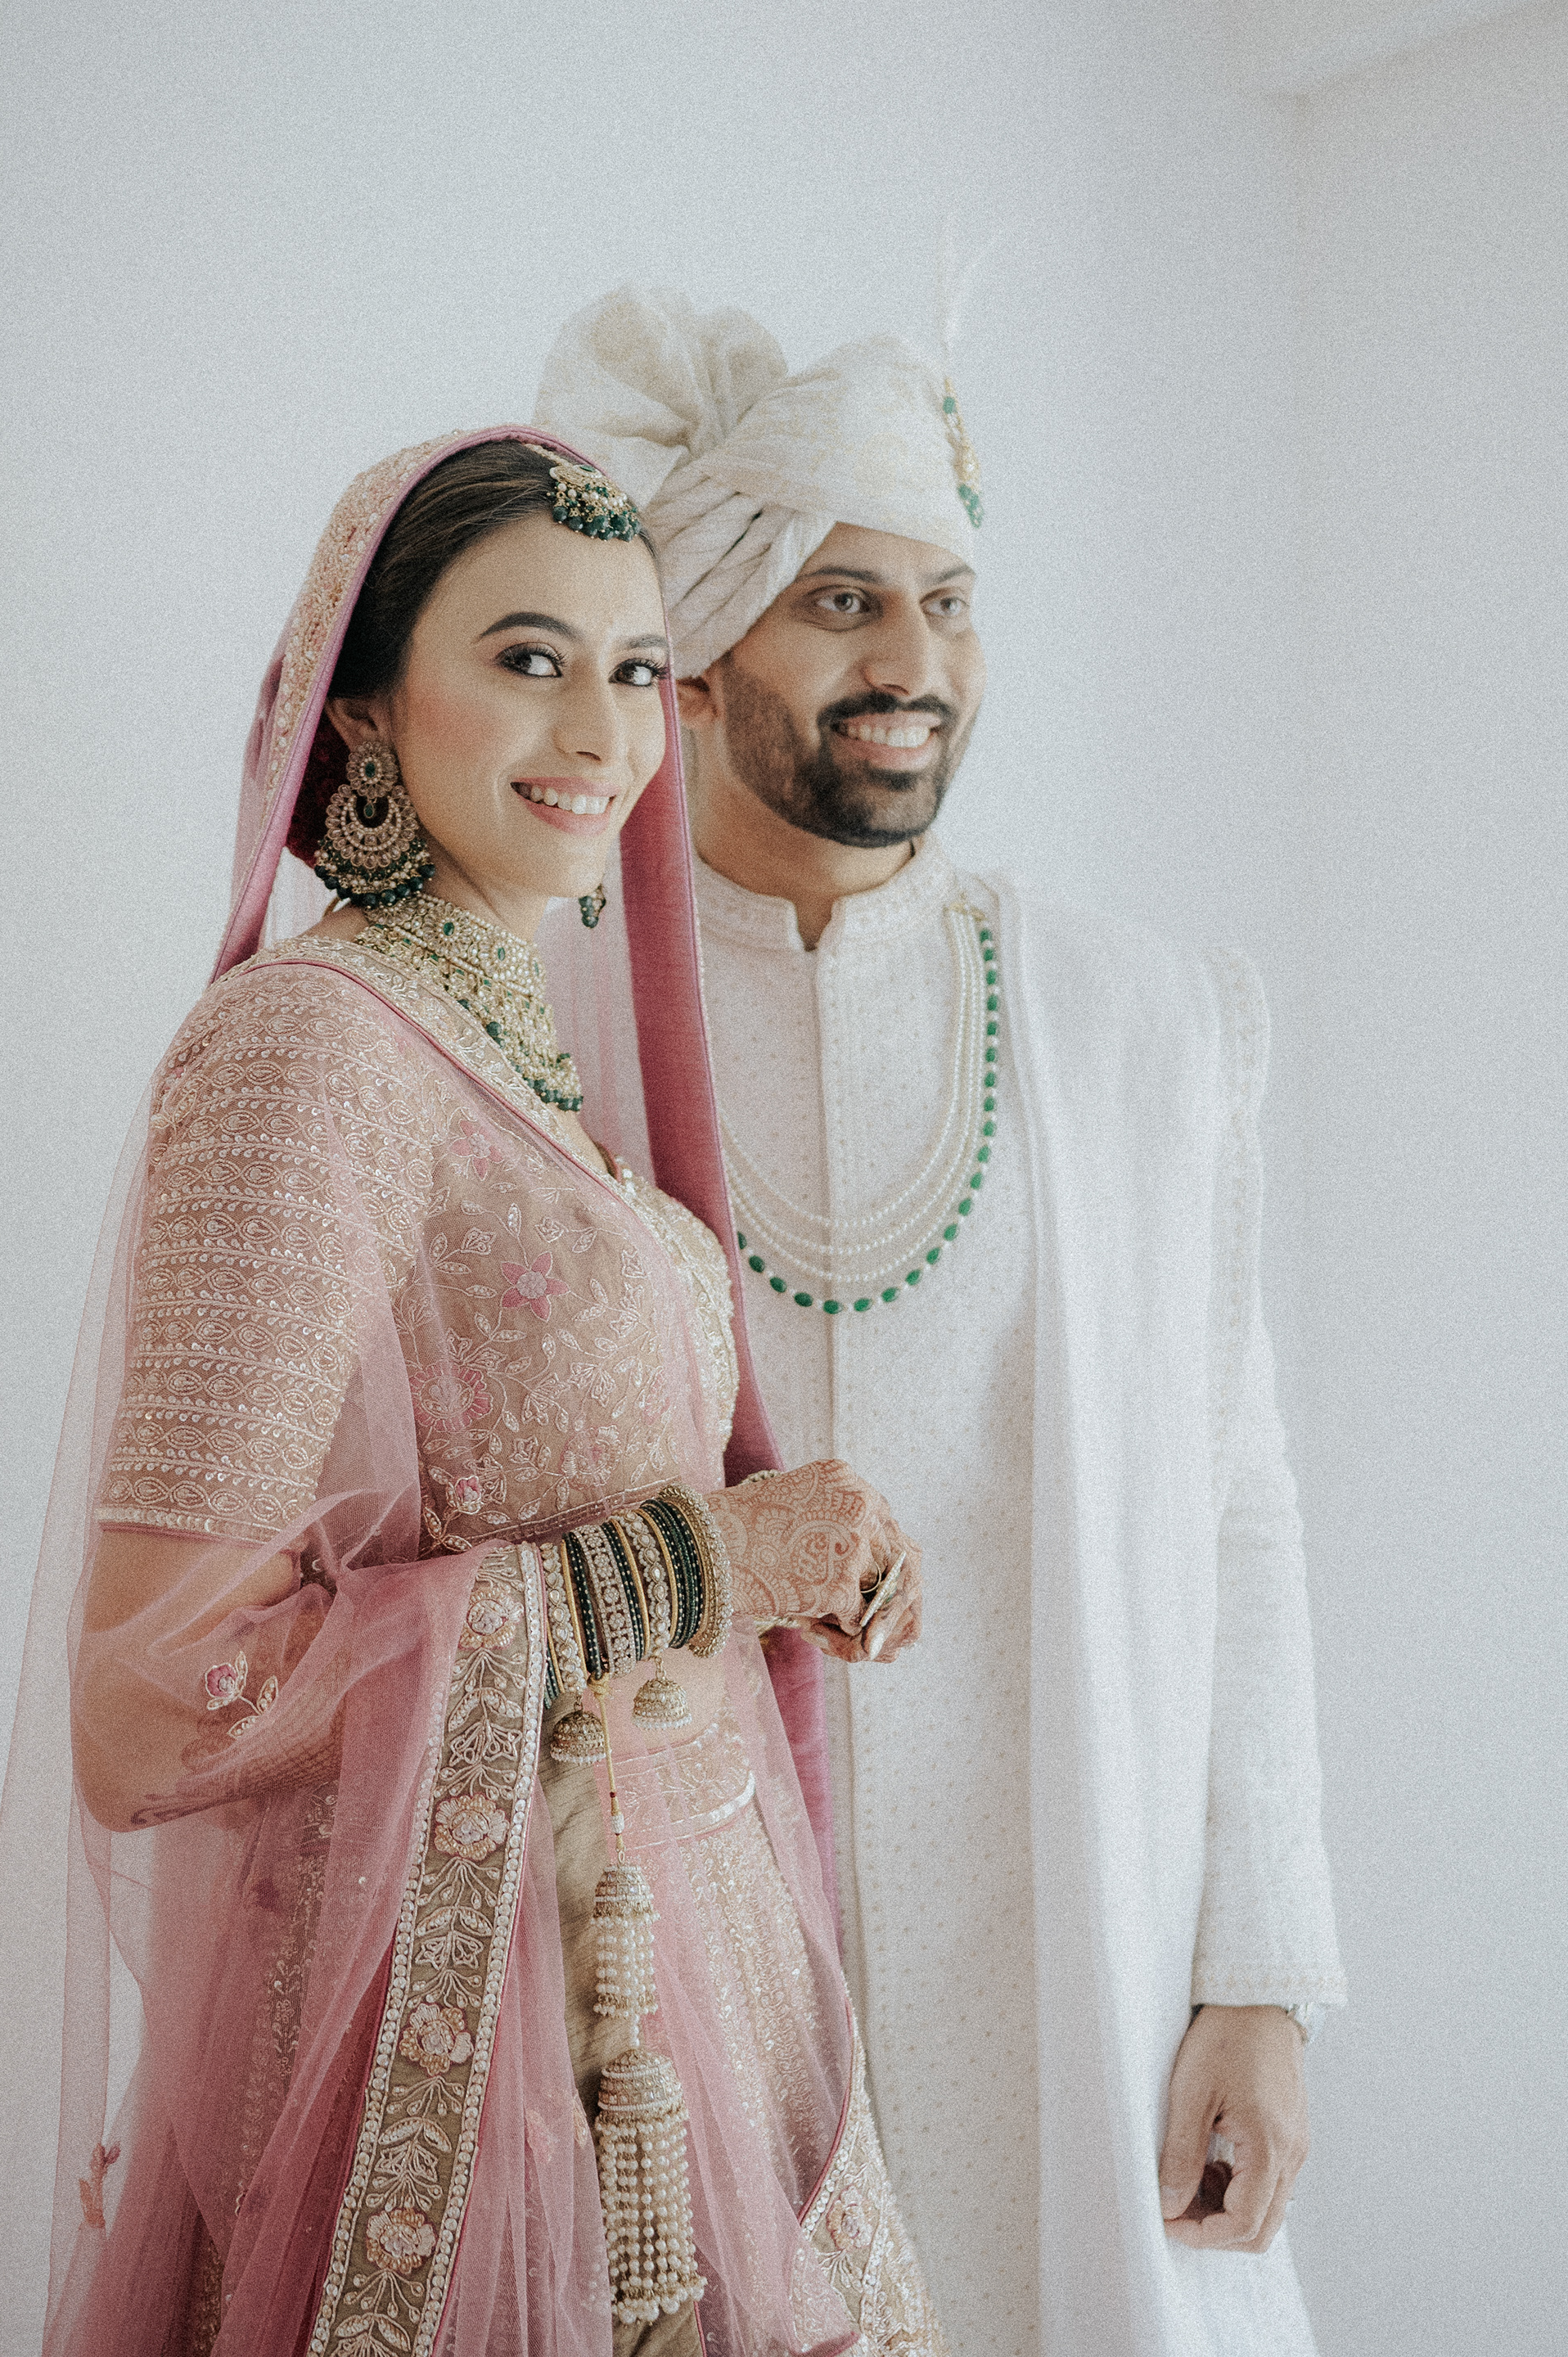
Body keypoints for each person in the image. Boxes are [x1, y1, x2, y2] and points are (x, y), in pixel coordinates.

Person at [0, 427, 948, 2357]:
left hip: (664, 2000)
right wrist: (704, 1566)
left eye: (634, 666)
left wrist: (774, 1561)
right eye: (527, 658)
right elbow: (151, 1705)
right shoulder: (306, 1053)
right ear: (359, 709)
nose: (600, 728)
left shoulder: (518, 1063)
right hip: (469, 2071)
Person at [533, 291, 1349, 2357]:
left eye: (950, 601)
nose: (914, 662)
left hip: (1080, 1960)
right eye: (843, 602)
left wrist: (1258, 1975)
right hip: (663, 1982)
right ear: (700, 650)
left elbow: (1238, 1508)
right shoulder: (537, 1026)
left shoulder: (1143, 1022)